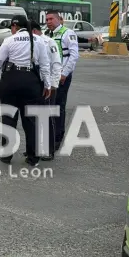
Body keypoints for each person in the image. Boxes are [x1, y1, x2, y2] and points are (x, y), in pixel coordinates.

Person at [0, 15, 52, 166]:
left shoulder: (9, 40)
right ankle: (33, 157)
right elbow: (45, 65)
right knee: (31, 120)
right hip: (31, 82)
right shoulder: (39, 40)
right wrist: (48, 85)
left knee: (8, 119)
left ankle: (6, 156)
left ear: (14, 27)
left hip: (10, 82)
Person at [44, 9, 79, 152]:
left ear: (59, 19)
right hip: (50, 76)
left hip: (62, 77)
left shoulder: (67, 33)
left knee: (58, 106)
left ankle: (57, 137)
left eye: (51, 19)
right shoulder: (46, 34)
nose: (48, 22)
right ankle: (48, 137)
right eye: (46, 20)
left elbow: (74, 56)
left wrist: (64, 73)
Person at [31, 20, 62, 161]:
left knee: (47, 118)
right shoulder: (32, 42)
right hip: (36, 85)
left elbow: (56, 64)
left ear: (34, 31)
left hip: (48, 85)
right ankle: (36, 148)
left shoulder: (49, 42)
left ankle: (49, 150)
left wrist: (54, 84)